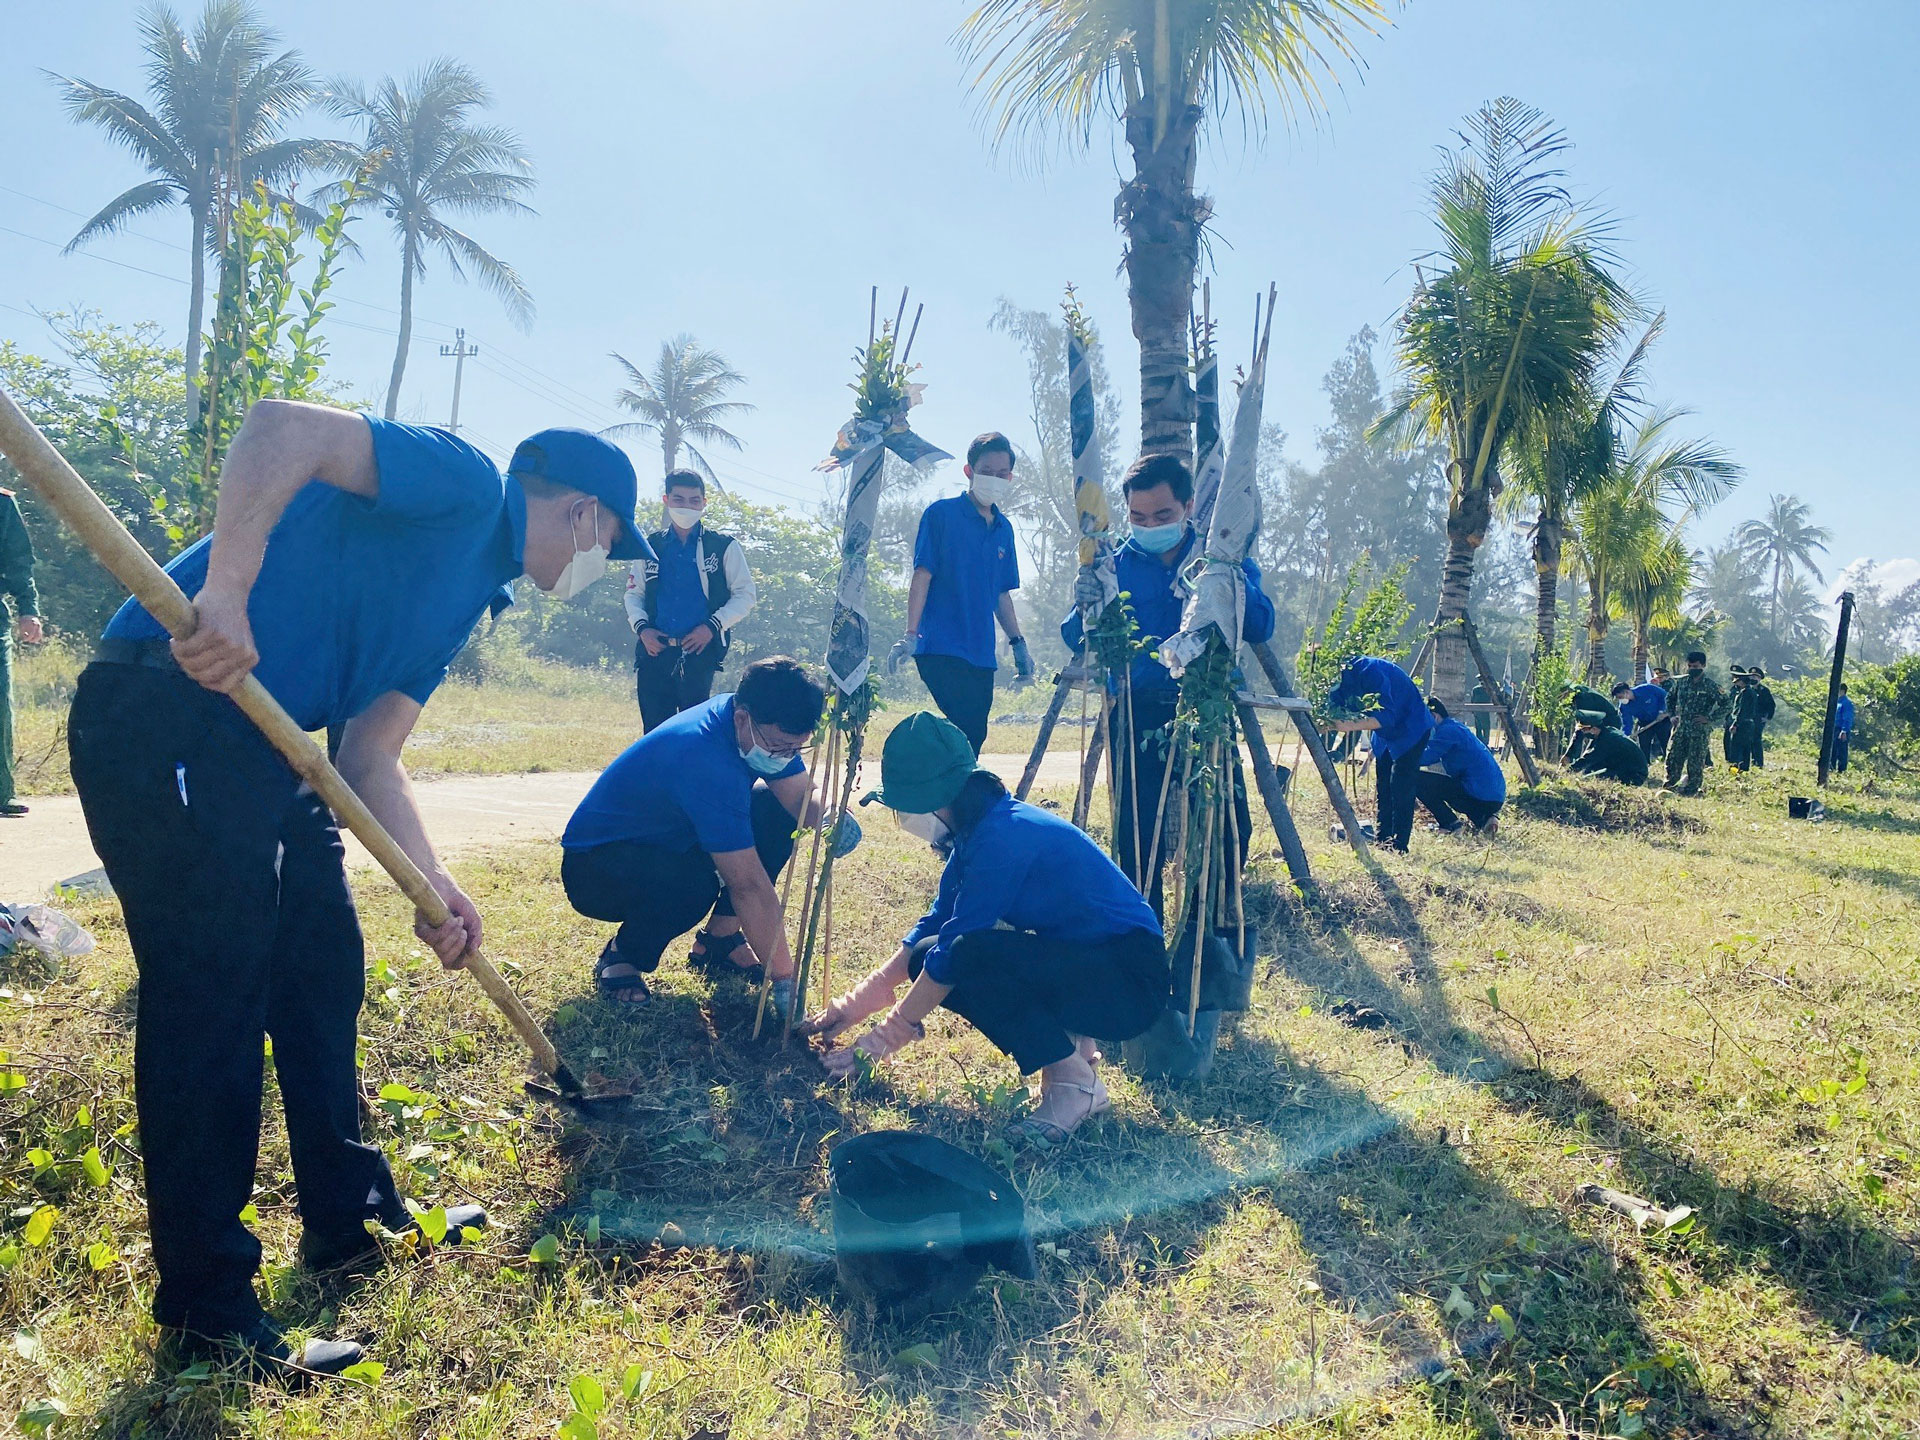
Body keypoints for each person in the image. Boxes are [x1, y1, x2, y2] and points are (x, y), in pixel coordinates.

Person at [68, 404, 652, 1378]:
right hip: (168, 707)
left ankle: (348, 1216)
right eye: (612, 546)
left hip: (276, 752)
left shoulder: (469, 598)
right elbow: (279, 430)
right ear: (585, 515)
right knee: (212, 1005)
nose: (602, 567)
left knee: (321, 972)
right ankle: (208, 1306)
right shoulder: (465, 486)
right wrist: (228, 593)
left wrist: (440, 889)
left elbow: (370, 754)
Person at [799, 712, 1167, 1148]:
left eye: (903, 805)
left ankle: (1076, 1086)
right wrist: (863, 997)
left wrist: (884, 1039)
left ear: (936, 797)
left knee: (970, 955)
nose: (902, 817)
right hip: (1093, 969)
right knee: (932, 953)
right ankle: (1076, 1061)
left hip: (1128, 985)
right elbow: (935, 925)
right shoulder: (980, 833)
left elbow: (956, 951)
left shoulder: (1004, 837)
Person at [1059, 452, 1275, 917]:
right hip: (1136, 709)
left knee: (1227, 820)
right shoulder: (1114, 564)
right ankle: (1144, 927)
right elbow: (1075, 634)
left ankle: (1208, 922)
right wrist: (1084, 604)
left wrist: (1232, 584)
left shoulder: (1219, 557)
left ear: (1189, 507)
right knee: (1135, 834)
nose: (1149, 525)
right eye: (1138, 516)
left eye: (1163, 515)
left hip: (1205, 706)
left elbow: (1261, 624)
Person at [562, 657, 825, 1011]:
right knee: (694, 885)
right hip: (599, 868)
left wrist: (831, 818)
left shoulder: (752, 724)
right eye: (779, 747)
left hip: (670, 840)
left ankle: (720, 941)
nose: (786, 757)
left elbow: (798, 796)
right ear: (743, 718)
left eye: (795, 749)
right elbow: (747, 884)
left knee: (775, 812)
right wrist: (784, 979)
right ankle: (622, 955)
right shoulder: (705, 758)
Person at [886, 432, 1032, 754]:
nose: (993, 479)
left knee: (974, 736)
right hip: (939, 646)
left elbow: (1001, 594)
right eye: (986, 471)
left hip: (981, 652)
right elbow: (922, 574)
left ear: (1009, 477)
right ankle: (938, 791)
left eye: (1000, 474)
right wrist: (910, 634)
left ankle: (953, 800)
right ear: (969, 471)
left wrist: (1018, 643)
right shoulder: (940, 515)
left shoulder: (1003, 529)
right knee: (962, 730)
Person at [624, 470, 758, 732]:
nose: (686, 506)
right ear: (666, 500)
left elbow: (745, 595)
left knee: (692, 734)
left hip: (699, 653)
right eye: (679, 499)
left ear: (704, 503)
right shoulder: (650, 546)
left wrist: (711, 626)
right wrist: (642, 630)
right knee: (654, 735)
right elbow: (633, 593)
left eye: (694, 500)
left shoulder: (723, 546)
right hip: (654, 652)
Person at [1325, 655, 1435, 853]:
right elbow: (1341, 717)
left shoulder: (1370, 671)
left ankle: (1400, 844)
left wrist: (1346, 725)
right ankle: (1383, 838)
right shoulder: (1335, 685)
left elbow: (1386, 716)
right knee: (1383, 784)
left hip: (1411, 728)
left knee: (1401, 785)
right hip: (1384, 736)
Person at [0, 486, 42, 818]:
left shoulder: (2, 503)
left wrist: (28, 611)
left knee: (0, 701)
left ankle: (1, 791)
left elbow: (18, 564)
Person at [1416, 697, 1506, 835]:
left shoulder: (1446, 732)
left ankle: (1451, 824)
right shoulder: (1457, 727)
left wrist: (1402, 757)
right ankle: (1485, 819)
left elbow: (1427, 757)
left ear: (1434, 717)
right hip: (1494, 797)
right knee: (1455, 784)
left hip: (1478, 794)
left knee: (1416, 780)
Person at [1663, 650, 1727, 796]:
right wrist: (1672, 715)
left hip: (1699, 729)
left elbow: (1726, 704)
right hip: (1681, 727)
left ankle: (1691, 790)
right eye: (1690, 666)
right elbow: (1669, 698)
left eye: (1696, 666)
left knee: (1696, 761)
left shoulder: (1710, 686)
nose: (1692, 669)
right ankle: (1670, 786)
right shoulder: (1681, 683)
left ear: (1703, 666)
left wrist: (1709, 719)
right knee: (1673, 758)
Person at [1568, 708, 1649, 785]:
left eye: (1584, 730)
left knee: (1589, 778)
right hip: (1623, 767)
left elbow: (1590, 758)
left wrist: (1569, 770)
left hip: (1635, 775)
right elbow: (1591, 755)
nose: (1583, 732)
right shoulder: (1607, 732)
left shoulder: (1607, 740)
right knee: (1588, 772)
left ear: (1594, 729)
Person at [1563, 681, 1622, 768]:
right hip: (1599, 720)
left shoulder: (1582, 698)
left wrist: (1568, 755)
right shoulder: (1575, 696)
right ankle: (1574, 765)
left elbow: (1582, 725)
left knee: (1595, 751)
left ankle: (1576, 768)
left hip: (1609, 723)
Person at [1632, 667, 1673, 766]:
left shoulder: (1669, 686)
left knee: (1665, 741)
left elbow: (1670, 702)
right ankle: (1645, 762)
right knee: (1644, 740)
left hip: (1664, 719)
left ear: (1666, 677)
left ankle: (1667, 761)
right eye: (1657, 678)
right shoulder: (1651, 688)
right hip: (1649, 720)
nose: (1658, 680)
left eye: (1660, 678)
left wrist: (1665, 713)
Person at [1724, 667, 1762, 773]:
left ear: (1742, 681)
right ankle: (1744, 769)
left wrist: (1735, 724)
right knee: (1746, 748)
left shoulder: (1745, 693)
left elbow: (1741, 710)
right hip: (1749, 724)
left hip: (1742, 724)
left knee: (1736, 748)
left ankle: (1735, 770)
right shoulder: (1752, 692)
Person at [1746, 664, 1776, 767]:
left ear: (1760, 678)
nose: (1753, 678)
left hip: (1759, 719)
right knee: (1747, 740)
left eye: (1756, 676)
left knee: (1756, 739)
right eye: (1751, 676)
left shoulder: (1764, 691)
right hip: (1747, 718)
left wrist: (1768, 718)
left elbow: (1771, 705)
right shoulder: (1746, 689)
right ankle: (1748, 761)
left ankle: (1758, 763)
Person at [1833, 682, 1856, 774]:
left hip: (1841, 729)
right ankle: (1831, 768)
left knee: (1841, 751)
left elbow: (1847, 718)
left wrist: (1844, 730)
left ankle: (1841, 771)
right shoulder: (1837, 702)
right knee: (1833, 750)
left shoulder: (1846, 703)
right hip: (1834, 729)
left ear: (1842, 691)